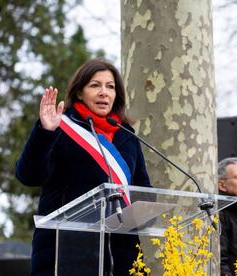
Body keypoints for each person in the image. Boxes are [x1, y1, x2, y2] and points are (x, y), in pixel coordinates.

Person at [15, 59, 151, 275]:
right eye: (95, 85)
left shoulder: (127, 136)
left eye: (110, 86)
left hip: (122, 258)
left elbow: (143, 193)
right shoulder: (61, 127)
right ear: (79, 92)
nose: (104, 92)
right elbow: (29, 176)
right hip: (65, 254)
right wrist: (44, 132)